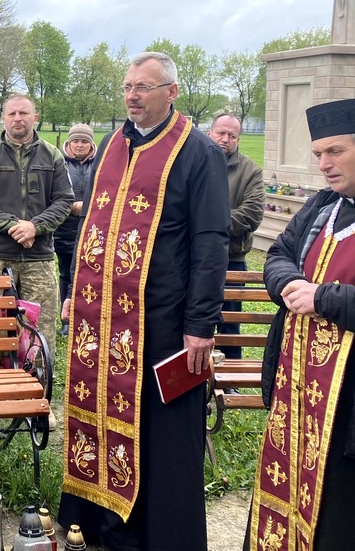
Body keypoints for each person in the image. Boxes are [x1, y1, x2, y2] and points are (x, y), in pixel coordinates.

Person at [58, 51, 229, 551]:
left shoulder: (198, 153)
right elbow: (90, 223)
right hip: (102, 319)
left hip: (163, 323)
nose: (132, 95)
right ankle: (104, 527)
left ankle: (157, 535)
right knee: (100, 421)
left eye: (144, 87)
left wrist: (201, 323)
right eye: (128, 86)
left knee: (160, 436)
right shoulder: (113, 144)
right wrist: (72, 290)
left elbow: (211, 242)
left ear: (171, 93)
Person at [247, 97, 355, 550]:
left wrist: (323, 297)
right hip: (299, 397)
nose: (324, 165)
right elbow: (277, 255)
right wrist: (290, 282)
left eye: (335, 152)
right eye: (317, 155)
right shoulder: (323, 205)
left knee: (351, 519)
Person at [0, 94, 73, 342]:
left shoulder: (52, 156)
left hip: (39, 259)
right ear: (3, 118)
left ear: (35, 118)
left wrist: (35, 227)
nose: (17, 118)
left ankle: (37, 379)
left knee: (38, 333)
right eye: (12, 113)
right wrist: (14, 226)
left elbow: (64, 200)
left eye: (23, 113)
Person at [208, 113, 264, 359]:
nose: (225, 139)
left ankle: (229, 380)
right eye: (221, 133)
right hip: (192, 256)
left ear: (238, 138)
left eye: (232, 135)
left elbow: (251, 214)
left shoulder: (251, 171)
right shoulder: (193, 163)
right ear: (210, 132)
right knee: (192, 320)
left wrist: (206, 224)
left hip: (232, 258)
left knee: (230, 322)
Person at [53, 124, 97, 337]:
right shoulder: (58, 163)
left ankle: (90, 318)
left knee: (91, 275)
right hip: (65, 229)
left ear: (91, 143)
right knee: (66, 274)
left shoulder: (101, 163)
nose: (79, 145)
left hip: (93, 229)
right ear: (68, 143)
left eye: (84, 141)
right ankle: (68, 320)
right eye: (76, 141)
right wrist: (71, 207)